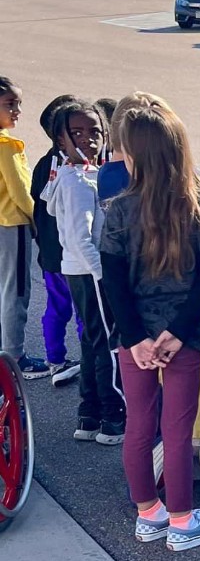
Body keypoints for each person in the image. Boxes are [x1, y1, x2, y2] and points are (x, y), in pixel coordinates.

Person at [99, 93, 200, 550]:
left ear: (132, 153)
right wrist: (176, 332)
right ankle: (182, 521)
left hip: (134, 337)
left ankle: (148, 512)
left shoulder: (118, 211)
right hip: (183, 335)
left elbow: (113, 283)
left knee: (139, 425)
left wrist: (136, 338)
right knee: (179, 429)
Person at [41, 102, 127, 444]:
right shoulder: (78, 181)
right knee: (107, 344)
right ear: (60, 139)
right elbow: (79, 237)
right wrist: (103, 275)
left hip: (78, 271)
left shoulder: (71, 174)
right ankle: (112, 417)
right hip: (90, 273)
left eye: (95, 132)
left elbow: (50, 204)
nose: (88, 139)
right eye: (77, 133)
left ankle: (89, 415)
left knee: (91, 343)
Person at [30, 93, 83, 385]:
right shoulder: (74, 168)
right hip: (72, 255)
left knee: (57, 307)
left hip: (49, 254)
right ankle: (93, 360)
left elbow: (36, 203)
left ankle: (55, 359)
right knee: (84, 312)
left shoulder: (42, 164)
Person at [0, 77, 50, 379]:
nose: (17, 110)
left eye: (17, 103)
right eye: (10, 104)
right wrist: (37, 224)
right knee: (15, 293)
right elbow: (21, 191)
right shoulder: (7, 146)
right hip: (11, 224)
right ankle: (16, 357)